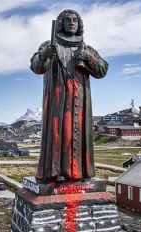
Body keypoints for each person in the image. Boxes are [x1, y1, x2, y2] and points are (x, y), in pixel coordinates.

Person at [30, 9, 108, 183]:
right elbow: (36, 66)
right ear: (61, 24)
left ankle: (78, 172)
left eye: (75, 20)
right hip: (57, 102)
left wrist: (89, 59)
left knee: (79, 135)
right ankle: (53, 171)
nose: (72, 22)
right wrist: (44, 55)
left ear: (79, 25)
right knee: (56, 135)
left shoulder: (87, 48)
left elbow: (102, 70)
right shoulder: (50, 44)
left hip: (80, 102)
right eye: (68, 20)